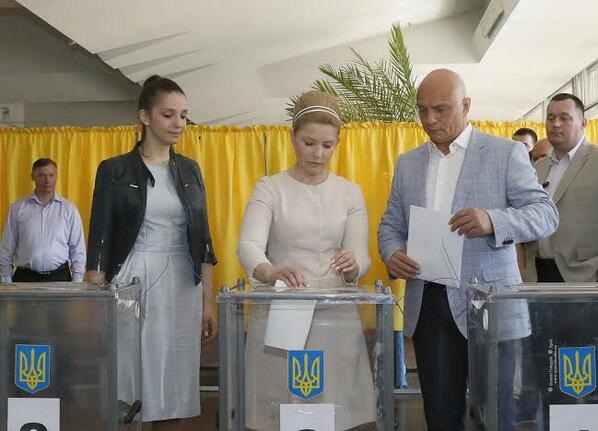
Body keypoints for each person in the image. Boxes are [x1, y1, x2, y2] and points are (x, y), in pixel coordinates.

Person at [377, 69, 558, 430]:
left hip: (490, 304)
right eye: (423, 110)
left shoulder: (505, 153)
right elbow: (391, 225)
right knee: (440, 416)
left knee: (496, 416)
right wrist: (392, 252)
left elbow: (545, 214)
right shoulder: (408, 162)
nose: (430, 119)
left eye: (441, 109)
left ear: (466, 106)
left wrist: (493, 221)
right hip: (429, 304)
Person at [237, 90, 376, 430]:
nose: (318, 154)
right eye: (309, 143)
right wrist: (270, 271)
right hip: (283, 309)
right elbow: (249, 245)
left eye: (327, 145)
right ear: (292, 138)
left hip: (335, 315)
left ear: (338, 143)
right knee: (282, 407)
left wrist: (353, 265)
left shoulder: (349, 192)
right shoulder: (270, 188)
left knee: (333, 406)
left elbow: (361, 256)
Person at [86, 75, 217, 431]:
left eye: (184, 115)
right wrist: (96, 306)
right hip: (133, 280)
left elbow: (204, 240)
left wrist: (207, 301)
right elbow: (99, 240)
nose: (179, 124)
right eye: (168, 114)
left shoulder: (190, 169)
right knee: (131, 379)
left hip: (183, 283)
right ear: (144, 116)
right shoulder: (114, 169)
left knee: (175, 380)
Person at [525, 93, 598, 282]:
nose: (556, 124)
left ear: (583, 123)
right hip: (536, 275)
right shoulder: (536, 169)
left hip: (584, 275)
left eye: (564, 118)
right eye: (550, 118)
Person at [0, 158, 85, 282]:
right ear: (32, 177)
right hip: (25, 278)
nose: (47, 180)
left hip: (59, 278)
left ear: (56, 176)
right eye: (41, 175)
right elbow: (7, 248)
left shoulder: (69, 210)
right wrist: (5, 280)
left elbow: (78, 249)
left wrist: (77, 281)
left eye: (51, 175)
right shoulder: (17, 209)